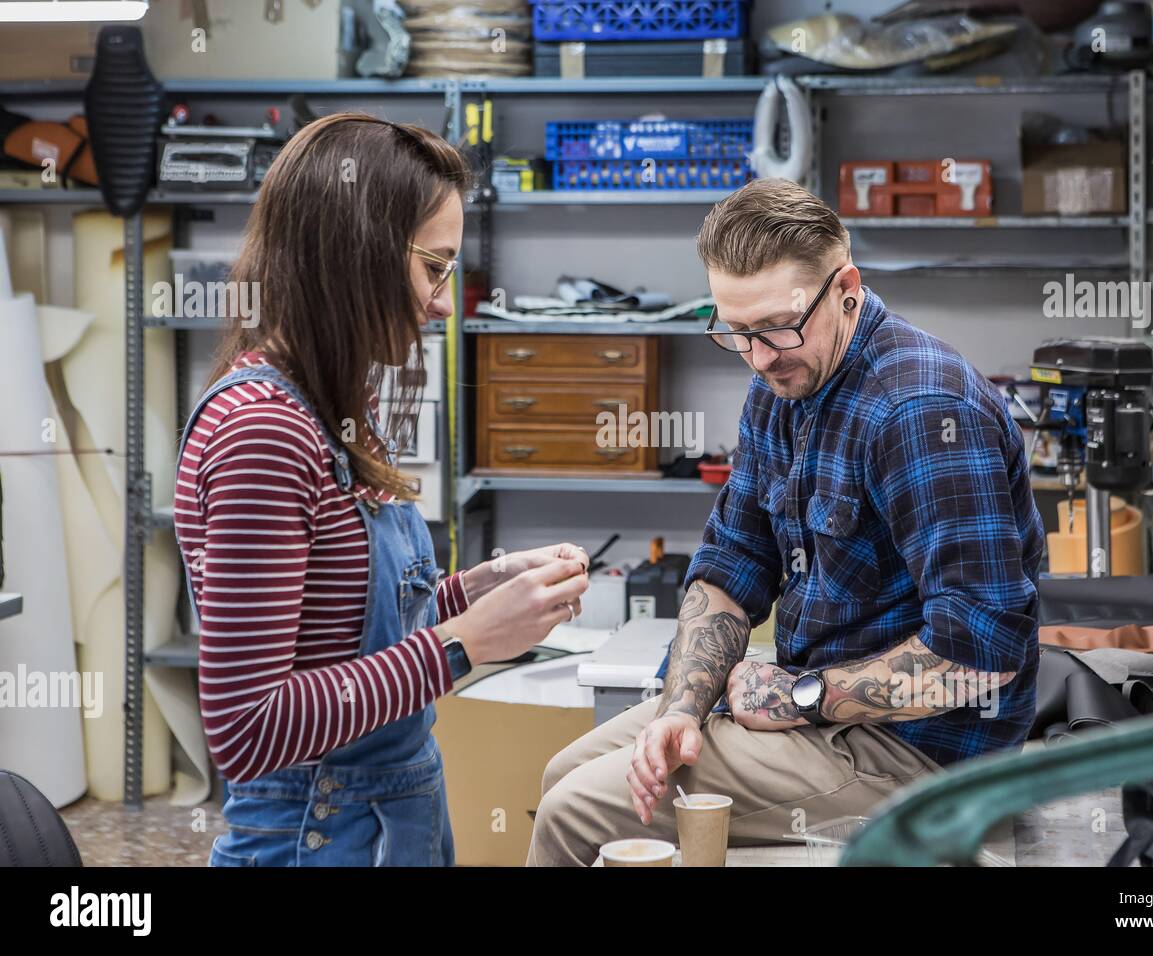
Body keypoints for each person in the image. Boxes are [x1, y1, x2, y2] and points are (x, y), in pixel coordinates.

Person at [527, 178, 1044, 866]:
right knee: (561, 775)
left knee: (573, 814)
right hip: (822, 709)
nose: (762, 355)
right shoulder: (779, 388)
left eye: (779, 326)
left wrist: (798, 696)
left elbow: (981, 653)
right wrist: (682, 709)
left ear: (846, 289)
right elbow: (731, 568)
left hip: (923, 755)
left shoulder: (919, 410)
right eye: (738, 332)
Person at [174, 113, 588, 867]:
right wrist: (462, 644)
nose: (442, 302)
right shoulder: (264, 434)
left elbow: (340, 631)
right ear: (353, 252)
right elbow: (247, 727)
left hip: (387, 819)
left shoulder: (333, 405)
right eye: (433, 268)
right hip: (319, 834)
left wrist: (476, 592)